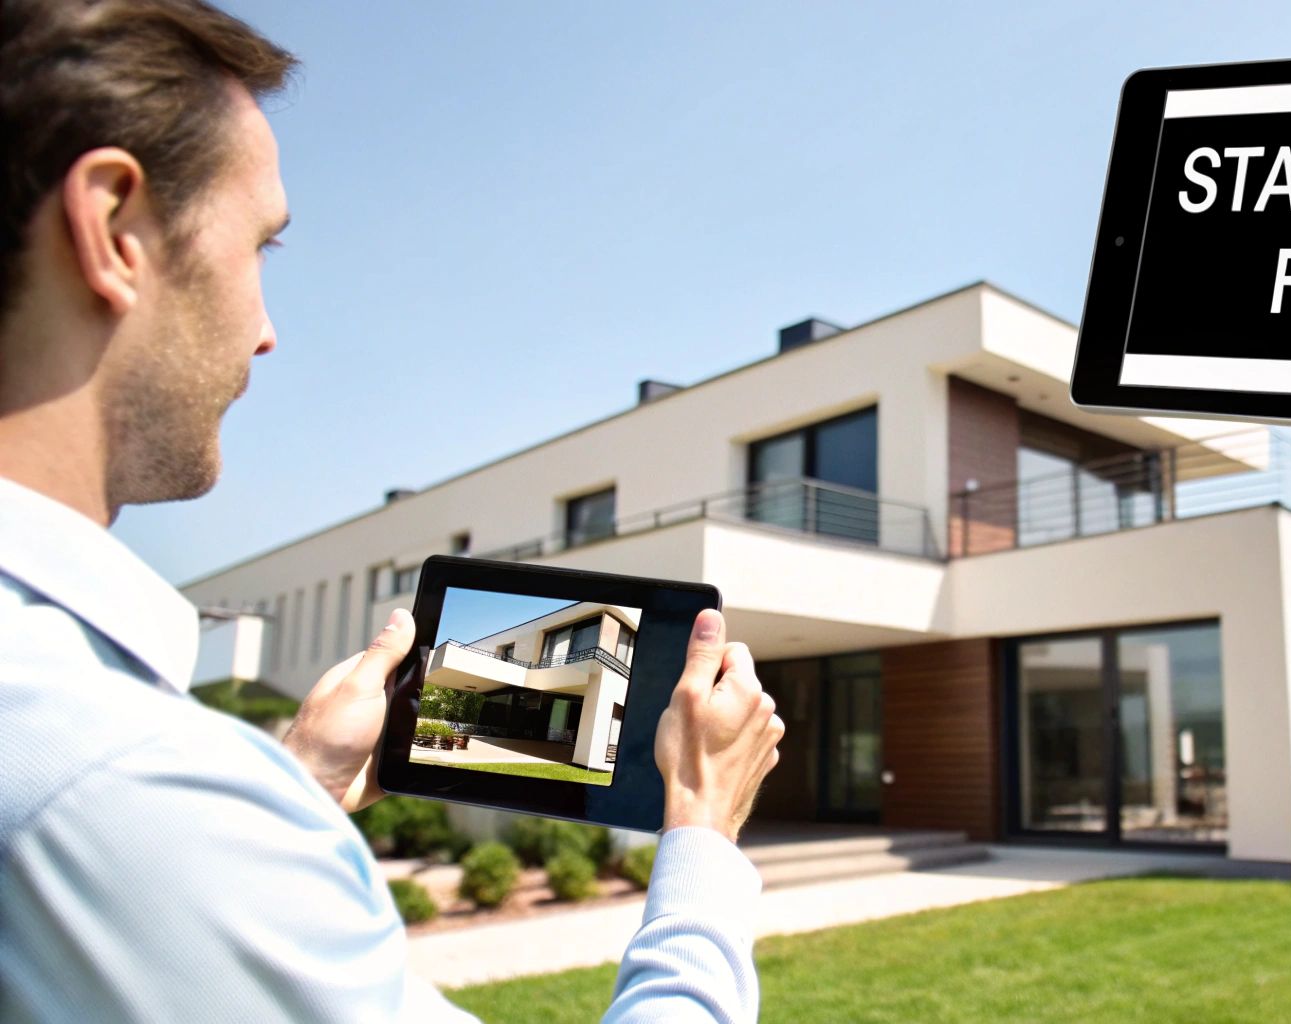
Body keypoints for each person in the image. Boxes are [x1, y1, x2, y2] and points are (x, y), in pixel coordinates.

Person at [0, 1, 785, 1020]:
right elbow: (138, 838)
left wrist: (290, 797)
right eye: (260, 246)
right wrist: (701, 831)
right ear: (113, 229)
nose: (266, 330)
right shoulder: (122, 784)